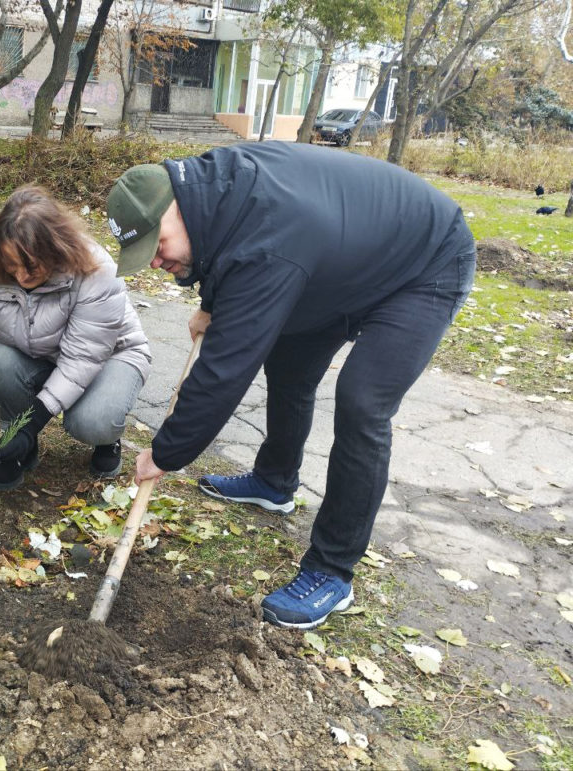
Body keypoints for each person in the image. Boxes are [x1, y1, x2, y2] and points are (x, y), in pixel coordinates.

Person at [106, 143, 476, 630]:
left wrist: (165, 452)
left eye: (157, 246)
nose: (155, 262)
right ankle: (275, 482)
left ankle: (331, 571)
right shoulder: (212, 190)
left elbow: (225, 370)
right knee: (289, 360)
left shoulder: (268, 240)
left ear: (176, 208)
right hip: (339, 259)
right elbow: (225, 243)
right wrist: (212, 301)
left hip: (424, 263)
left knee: (363, 401)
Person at [0, 184, 151, 491]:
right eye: (11, 265)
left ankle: (107, 439)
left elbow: (81, 359)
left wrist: (33, 423)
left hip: (111, 356)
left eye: (31, 266)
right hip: (41, 355)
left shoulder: (96, 272)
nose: (20, 276)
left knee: (89, 422)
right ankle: (18, 442)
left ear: (55, 249)